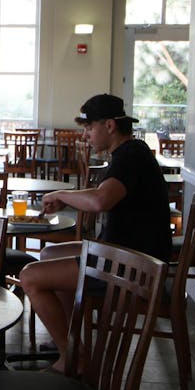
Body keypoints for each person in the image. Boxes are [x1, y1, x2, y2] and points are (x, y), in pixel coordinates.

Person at [20, 93, 170, 371]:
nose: (85, 136)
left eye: (89, 128)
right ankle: (70, 340)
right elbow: (101, 195)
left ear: (110, 126)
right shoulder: (129, 153)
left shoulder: (130, 156)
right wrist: (68, 196)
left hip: (132, 265)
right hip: (125, 253)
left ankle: (72, 358)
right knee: (48, 253)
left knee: (29, 277)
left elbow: (101, 201)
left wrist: (63, 194)